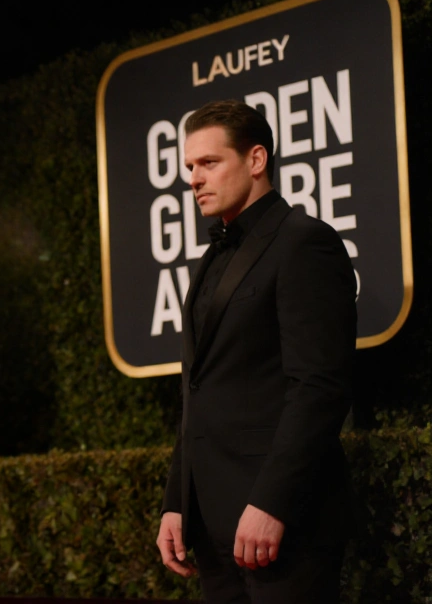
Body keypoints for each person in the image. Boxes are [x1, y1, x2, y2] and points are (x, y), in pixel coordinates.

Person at [155, 100, 357, 603]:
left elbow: (319, 387)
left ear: (257, 159)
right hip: (212, 526)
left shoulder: (304, 242)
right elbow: (198, 392)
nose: (194, 179)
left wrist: (273, 503)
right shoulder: (211, 257)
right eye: (189, 167)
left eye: (209, 163)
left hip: (282, 526)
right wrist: (176, 502)